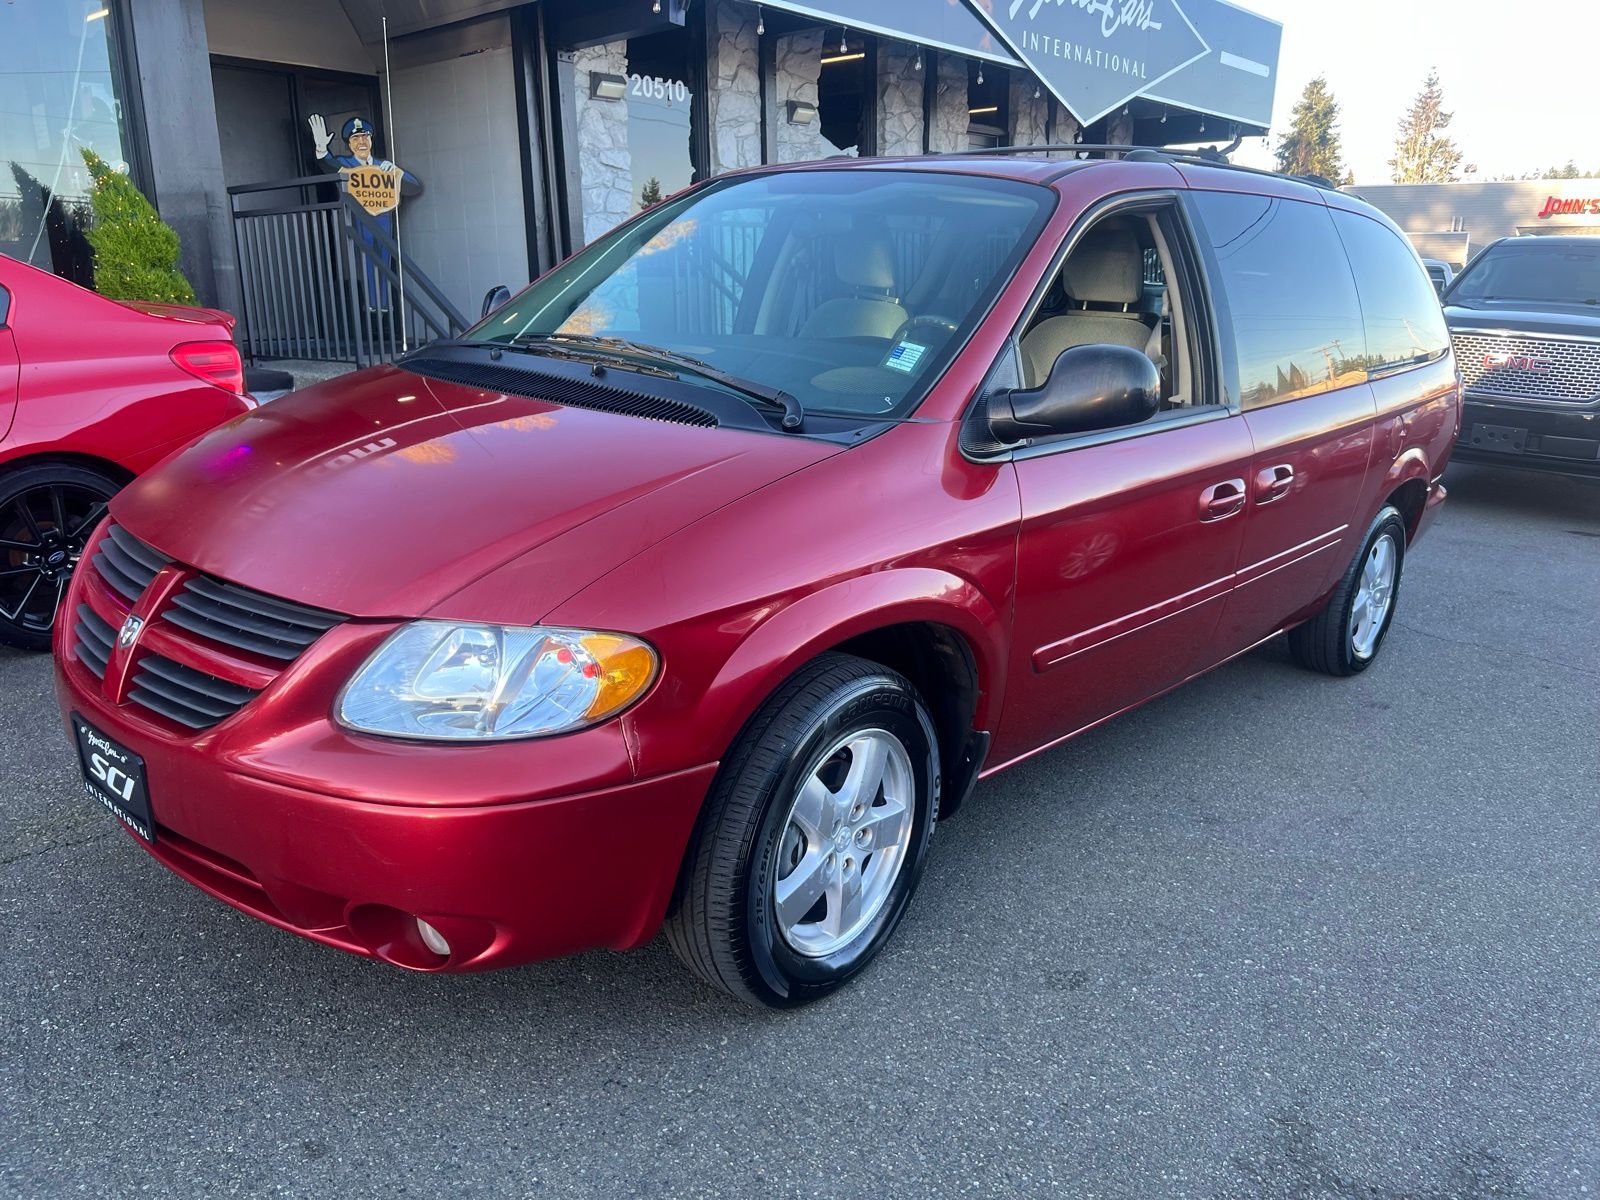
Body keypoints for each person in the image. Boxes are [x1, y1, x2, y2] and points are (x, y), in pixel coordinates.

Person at [307, 115, 423, 314]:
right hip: (360, 222)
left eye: (365, 137)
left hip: (384, 221)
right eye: (355, 138)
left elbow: (414, 187)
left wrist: (397, 172)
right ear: (349, 144)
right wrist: (321, 148)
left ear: (370, 140)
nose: (361, 141)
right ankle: (371, 305)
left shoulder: (382, 165)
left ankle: (383, 306)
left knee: (384, 261)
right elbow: (327, 164)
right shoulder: (345, 163)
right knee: (366, 262)